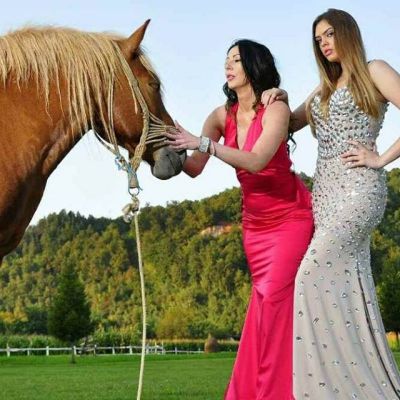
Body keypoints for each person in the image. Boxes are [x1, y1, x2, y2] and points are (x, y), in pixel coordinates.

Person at [262, 8, 400, 399]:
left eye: (329, 34)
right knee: (345, 287)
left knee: (309, 276)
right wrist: (279, 96)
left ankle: (325, 388)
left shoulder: (374, 71)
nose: (323, 43)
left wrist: (381, 159)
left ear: (347, 33)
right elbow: (289, 123)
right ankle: (348, 388)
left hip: (359, 191)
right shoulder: (324, 89)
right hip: (324, 198)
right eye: (318, 39)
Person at [165, 39, 314, 399]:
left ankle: (275, 393)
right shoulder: (220, 116)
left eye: (236, 59)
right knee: (262, 306)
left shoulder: (276, 108)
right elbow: (195, 168)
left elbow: (258, 160)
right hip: (255, 226)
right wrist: (164, 153)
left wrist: (204, 144)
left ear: (254, 65)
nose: (228, 66)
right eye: (226, 60)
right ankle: (249, 390)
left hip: (290, 218)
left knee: (275, 303)